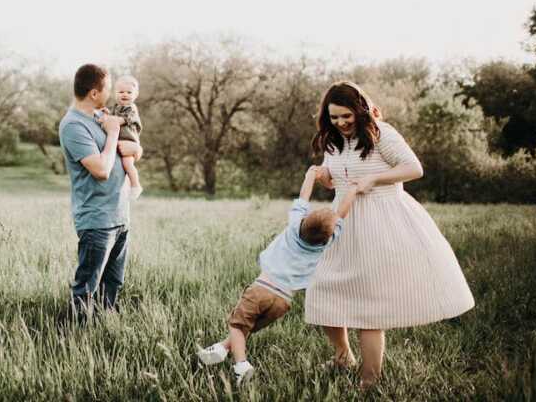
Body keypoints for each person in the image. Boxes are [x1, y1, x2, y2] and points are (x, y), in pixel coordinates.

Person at [305, 82, 475, 389]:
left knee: (368, 303)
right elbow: (335, 182)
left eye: (346, 116)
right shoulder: (333, 141)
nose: (341, 123)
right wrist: (322, 175)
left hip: (379, 220)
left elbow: (414, 168)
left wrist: (375, 178)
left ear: (361, 110)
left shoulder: (380, 132)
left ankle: (370, 377)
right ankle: (344, 357)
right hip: (341, 219)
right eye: (334, 117)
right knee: (322, 289)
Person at [197, 167, 358, 387]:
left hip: (262, 288)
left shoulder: (294, 226)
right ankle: (221, 349)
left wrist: (310, 176)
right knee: (248, 327)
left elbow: (303, 197)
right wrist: (354, 189)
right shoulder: (324, 245)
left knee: (237, 325)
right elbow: (341, 214)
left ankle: (241, 365)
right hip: (284, 301)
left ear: (304, 220)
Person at [58, 64, 143, 318]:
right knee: (86, 289)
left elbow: (129, 149)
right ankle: (76, 340)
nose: (112, 95)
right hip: (97, 220)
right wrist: (115, 131)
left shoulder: (101, 117)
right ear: (94, 92)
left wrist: (137, 150)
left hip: (119, 216)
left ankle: (104, 332)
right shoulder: (73, 125)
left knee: (112, 287)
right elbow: (101, 169)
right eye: (108, 89)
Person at [109, 75, 144, 201]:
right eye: (121, 92)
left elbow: (130, 118)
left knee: (127, 164)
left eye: (129, 92)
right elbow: (110, 115)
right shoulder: (116, 107)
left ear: (136, 94)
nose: (125, 94)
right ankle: (129, 184)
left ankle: (136, 185)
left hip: (129, 139)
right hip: (121, 140)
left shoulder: (132, 108)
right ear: (115, 93)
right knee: (124, 165)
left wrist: (117, 120)